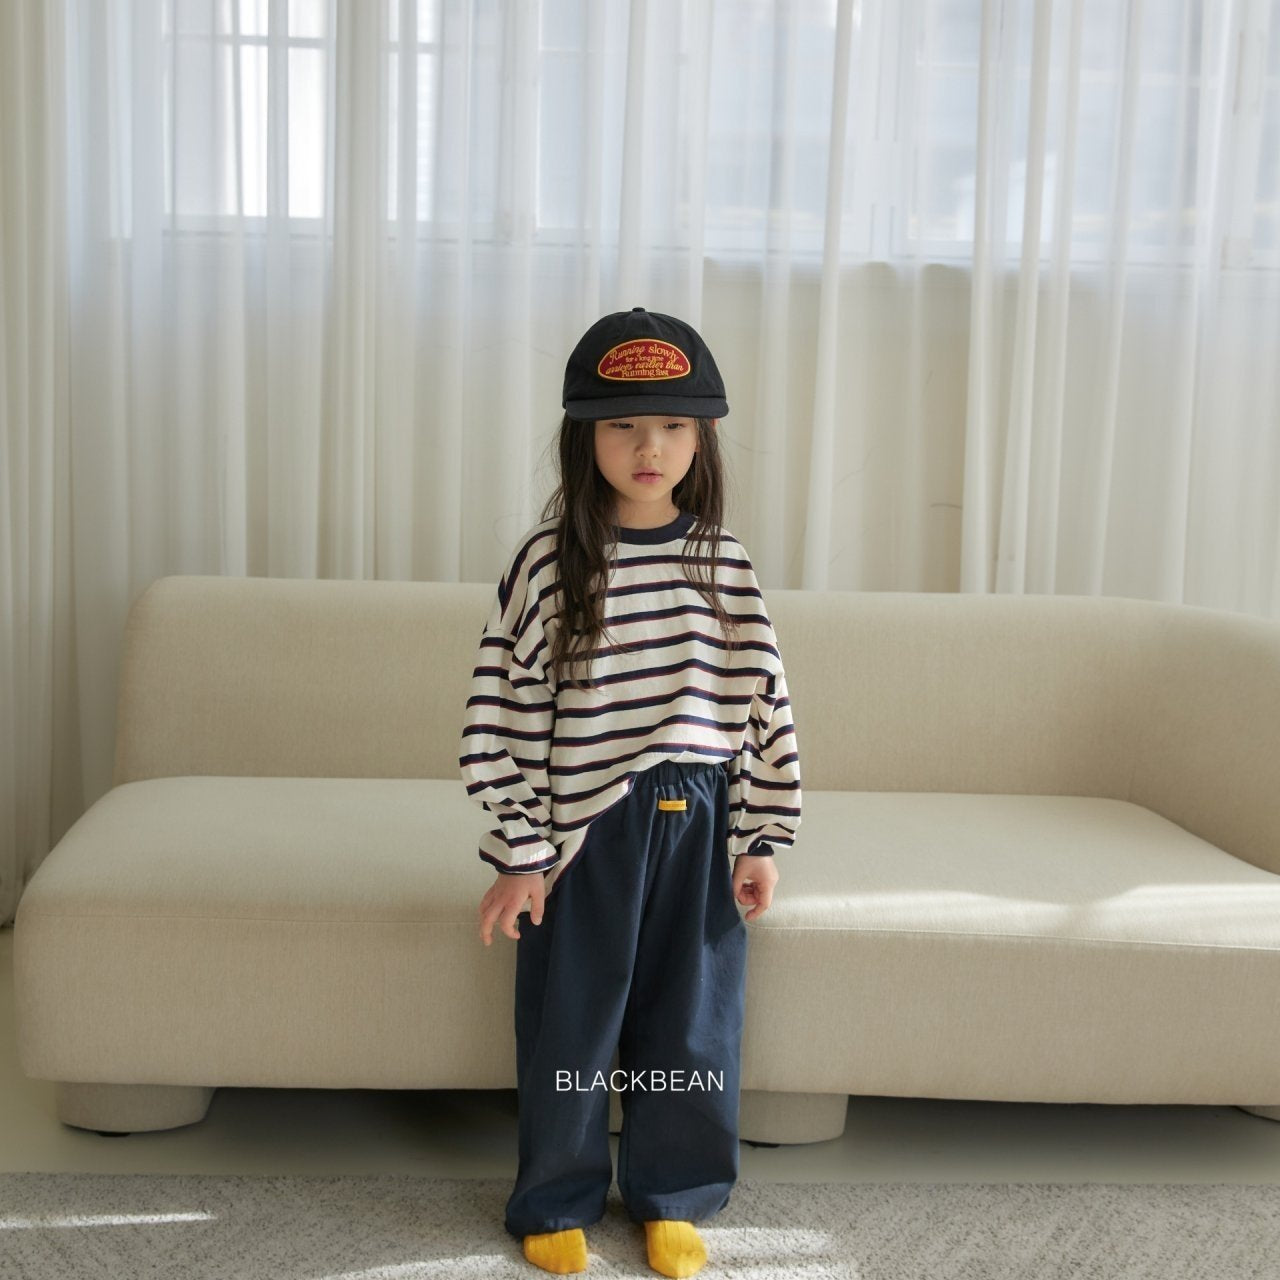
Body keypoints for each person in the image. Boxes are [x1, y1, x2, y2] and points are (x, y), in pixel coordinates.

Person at [459, 307, 802, 1277]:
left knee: (691, 1022)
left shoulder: (722, 561)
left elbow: (764, 707)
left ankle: (674, 1194)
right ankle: (555, 1197)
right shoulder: (547, 563)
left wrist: (760, 836)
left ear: (701, 438)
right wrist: (523, 851)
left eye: (673, 425)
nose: (649, 448)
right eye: (623, 426)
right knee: (571, 1022)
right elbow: (503, 713)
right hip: (586, 829)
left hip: (699, 818)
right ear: (584, 434)